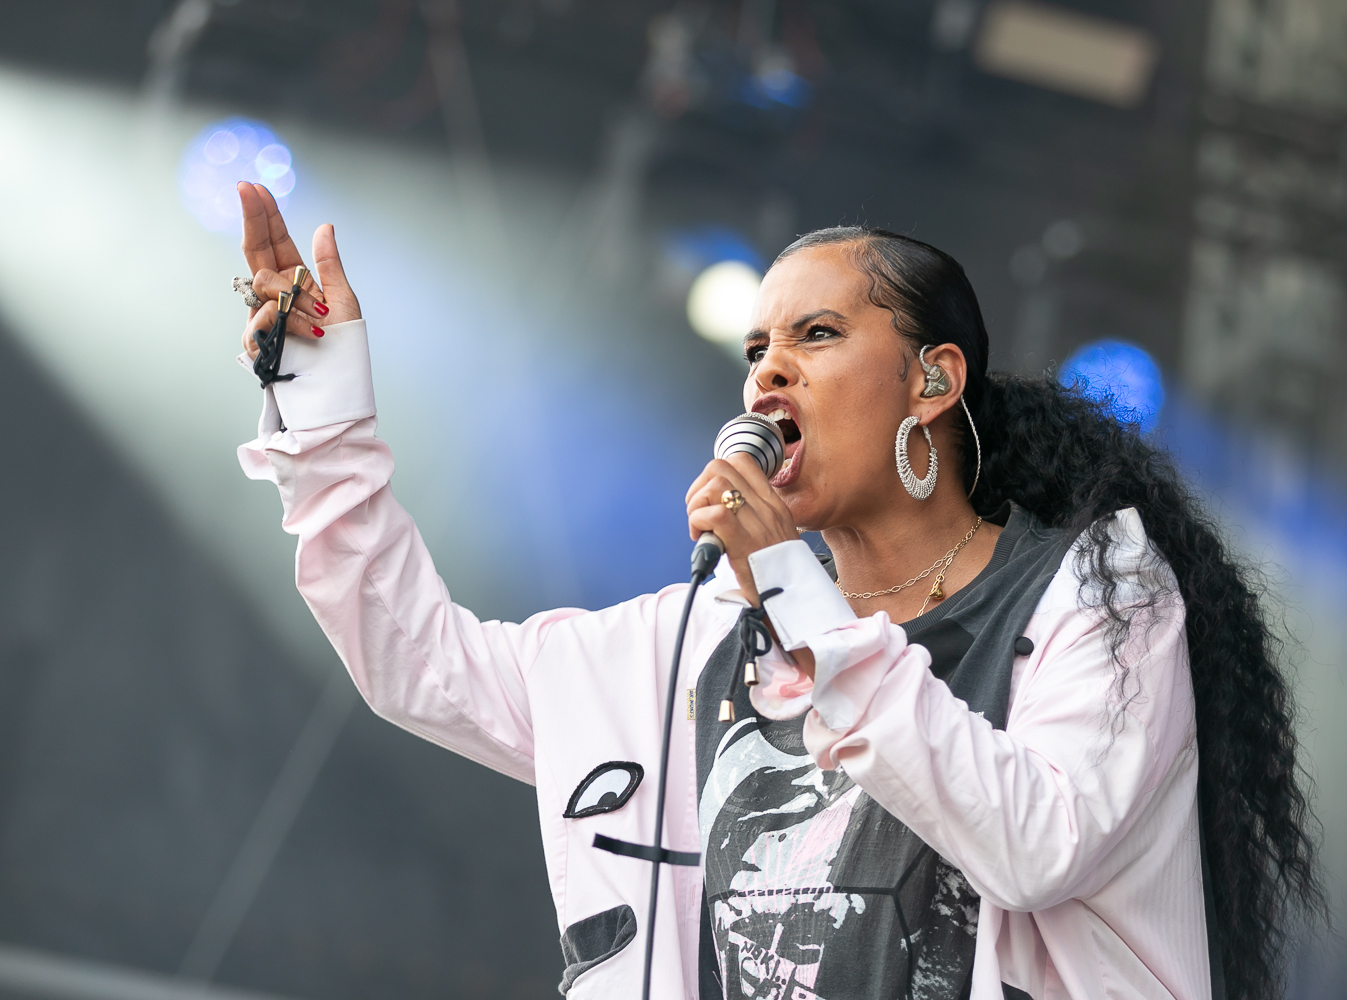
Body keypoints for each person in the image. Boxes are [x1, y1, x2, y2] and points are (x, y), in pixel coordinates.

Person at [230, 180, 1321, 1000]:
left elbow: (1037, 846)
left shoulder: (1097, 586)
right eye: (756, 348)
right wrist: (323, 424)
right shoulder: (703, 636)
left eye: (817, 335)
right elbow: (417, 662)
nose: (767, 373)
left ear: (933, 381)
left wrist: (798, 595)